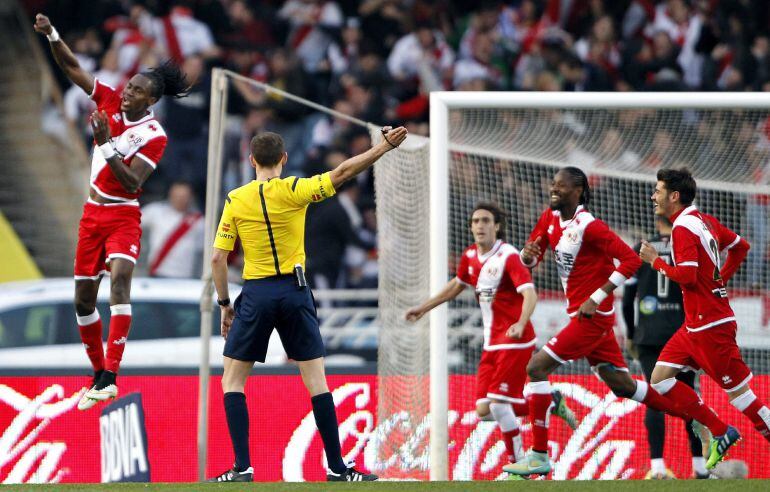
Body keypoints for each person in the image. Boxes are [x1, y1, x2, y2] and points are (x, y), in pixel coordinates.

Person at [208, 127, 407, 482]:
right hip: (295, 291)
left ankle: (242, 467)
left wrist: (225, 304)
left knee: (233, 381)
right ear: (283, 159)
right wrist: (383, 147)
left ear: (251, 160)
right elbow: (343, 172)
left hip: (256, 292)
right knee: (317, 382)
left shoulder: (236, 199)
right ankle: (337, 467)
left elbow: (218, 259)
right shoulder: (296, 189)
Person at [34, 14, 190, 411]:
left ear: (150, 101)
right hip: (92, 216)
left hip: (123, 216)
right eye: (129, 85)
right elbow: (72, 67)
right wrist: (53, 33)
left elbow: (132, 183)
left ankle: (111, 375)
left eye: (136, 90)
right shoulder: (108, 99)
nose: (127, 93)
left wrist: (105, 144)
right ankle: (98, 376)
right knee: (83, 302)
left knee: (120, 282)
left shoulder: (154, 136)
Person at [504, 167, 688, 477]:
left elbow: (631, 261)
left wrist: (598, 296)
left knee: (535, 368)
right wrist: (526, 254)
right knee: (623, 386)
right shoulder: (549, 218)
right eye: (553, 183)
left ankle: (538, 454)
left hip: (592, 317)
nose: (554, 189)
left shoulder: (591, 226)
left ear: (578, 191)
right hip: (581, 314)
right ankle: (697, 416)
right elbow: (532, 258)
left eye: (561, 186)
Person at [405, 202, 577, 472]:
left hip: (515, 339)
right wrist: (424, 307)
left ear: (497, 226)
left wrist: (521, 322)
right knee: (485, 409)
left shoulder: (508, 256)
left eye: (486, 221)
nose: (480, 226)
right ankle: (549, 402)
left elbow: (530, 293)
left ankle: (518, 464)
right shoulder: (470, 256)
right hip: (491, 342)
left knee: (498, 403)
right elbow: (456, 285)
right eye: (475, 221)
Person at [642, 167, 770, 469]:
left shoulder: (683, 228)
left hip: (710, 326)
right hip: (694, 325)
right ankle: (720, 431)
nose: (652, 196)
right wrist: (719, 280)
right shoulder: (704, 221)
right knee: (660, 380)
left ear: (674, 196)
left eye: (658, 191)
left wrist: (655, 261)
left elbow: (686, 277)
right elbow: (741, 247)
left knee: (743, 399)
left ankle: (728, 430)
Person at [622, 216, 707, 479]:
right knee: (688, 395)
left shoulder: (642, 247)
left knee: (654, 398)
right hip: (682, 334)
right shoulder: (687, 247)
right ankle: (700, 467)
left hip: (649, 335)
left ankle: (657, 467)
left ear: (656, 221)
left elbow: (627, 298)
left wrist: (631, 333)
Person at [141, 181, 204, 279]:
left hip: (185, 278)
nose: (180, 200)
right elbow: (133, 222)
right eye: (177, 195)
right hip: (157, 274)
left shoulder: (200, 222)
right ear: (170, 195)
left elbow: (203, 252)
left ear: (191, 197)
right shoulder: (155, 211)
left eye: (184, 196)